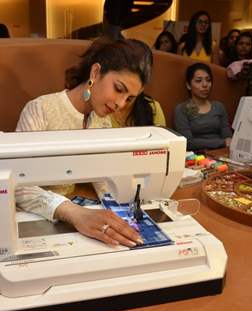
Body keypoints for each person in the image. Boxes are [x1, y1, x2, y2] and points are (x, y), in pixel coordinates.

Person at [15, 38, 153, 247]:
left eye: (130, 98)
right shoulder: (40, 110)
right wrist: (76, 213)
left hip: (74, 218)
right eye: (118, 88)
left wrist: (131, 201)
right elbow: (19, 186)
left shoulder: (102, 121)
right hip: (33, 222)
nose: (120, 104)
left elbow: (103, 177)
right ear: (95, 73)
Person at [174, 63, 232, 151]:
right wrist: (222, 142)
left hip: (221, 153)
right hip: (196, 157)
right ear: (188, 85)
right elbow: (188, 142)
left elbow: (228, 137)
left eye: (208, 80)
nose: (205, 85)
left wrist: (226, 143)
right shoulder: (181, 109)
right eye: (198, 81)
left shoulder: (219, 106)